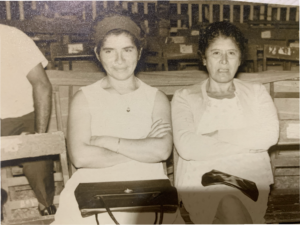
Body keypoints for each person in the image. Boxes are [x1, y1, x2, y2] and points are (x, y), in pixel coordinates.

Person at [51, 8, 184, 225]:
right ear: (97, 53)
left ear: (139, 53)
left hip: (148, 188)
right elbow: (81, 157)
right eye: (110, 51)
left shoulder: (156, 98)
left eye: (128, 50)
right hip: (92, 186)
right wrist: (142, 147)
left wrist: (105, 141)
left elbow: (161, 150)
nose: (120, 60)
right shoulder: (84, 98)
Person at [172, 21, 279, 225]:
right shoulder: (185, 96)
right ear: (204, 58)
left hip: (250, 182)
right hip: (202, 182)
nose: (223, 62)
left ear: (240, 59)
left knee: (231, 210)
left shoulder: (256, 93)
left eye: (231, 53)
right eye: (216, 53)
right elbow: (187, 147)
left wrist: (216, 136)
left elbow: (269, 135)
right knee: (229, 204)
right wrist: (246, 143)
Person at [0, 24, 55, 215]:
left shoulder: (13, 37)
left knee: (36, 155)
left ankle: (45, 205)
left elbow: (42, 85)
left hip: (21, 116)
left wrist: (39, 136)